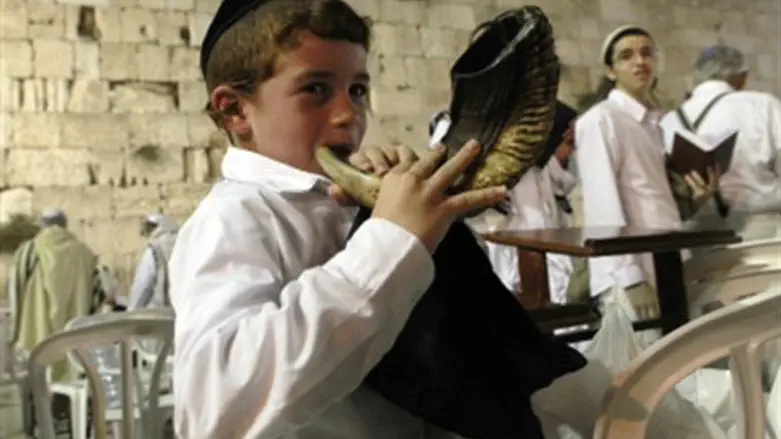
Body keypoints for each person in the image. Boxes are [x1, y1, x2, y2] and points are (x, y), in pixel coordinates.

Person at [168, 0, 507, 437]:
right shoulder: (234, 217)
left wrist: (419, 221)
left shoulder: (345, 199)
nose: (349, 115)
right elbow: (217, 409)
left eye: (358, 90)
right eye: (316, 89)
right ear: (235, 110)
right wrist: (391, 238)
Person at [574, 25, 719, 326]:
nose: (640, 61)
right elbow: (604, 206)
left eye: (646, 53)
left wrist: (694, 199)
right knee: (647, 366)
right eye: (627, 56)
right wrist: (629, 278)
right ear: (611, 71)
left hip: (666, 262)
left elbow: (649, 198)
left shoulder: (652, 124)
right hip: (632, 270)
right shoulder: (601, 119)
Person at [660, 44, 781, 241]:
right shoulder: (763, 105)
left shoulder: (668, 122)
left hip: (699, 239)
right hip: (764, 234)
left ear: (697, 77)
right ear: (742, 77)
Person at [7, 209, 108, 382]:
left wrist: (14, 332)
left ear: (42, 225)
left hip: (37, 337)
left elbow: (16, 292)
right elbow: (98, 296)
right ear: (64, 224)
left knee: (38, 386)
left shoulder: (29, 251)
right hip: (73, 340)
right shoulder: (84, 253)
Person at [127, 213, 178, 310]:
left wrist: (131, 312)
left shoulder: (155, 248)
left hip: (161, 313)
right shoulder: (185, 243)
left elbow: (142, 286)